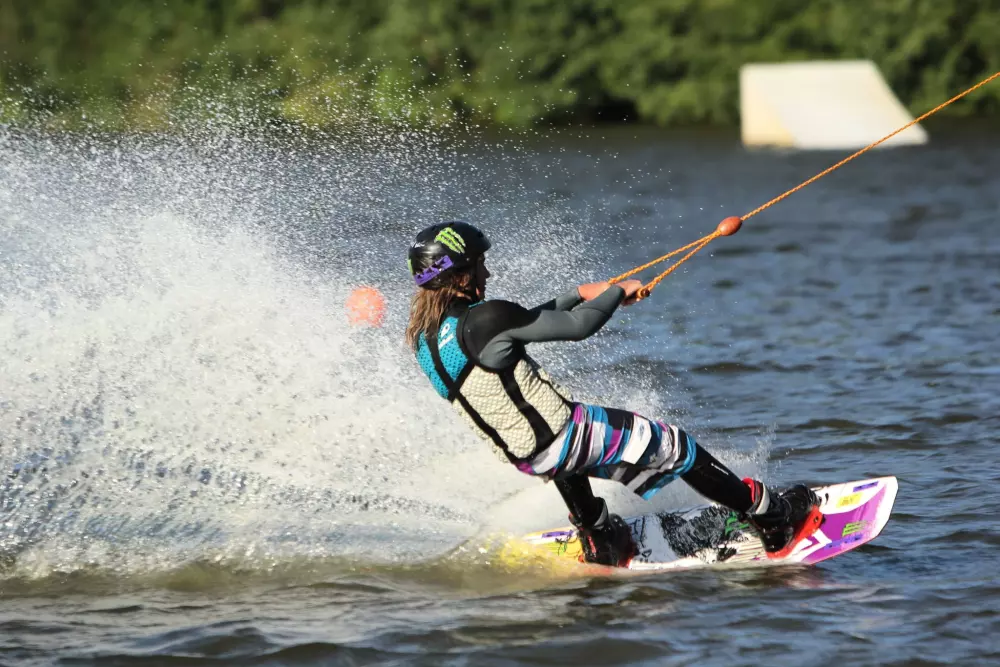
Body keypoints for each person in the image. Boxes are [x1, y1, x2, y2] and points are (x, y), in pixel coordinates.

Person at [405, 221, 821, 566]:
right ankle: (772, 518)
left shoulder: (426, 338)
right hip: (566, 435)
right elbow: (578, 328)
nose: (487, 274)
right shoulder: (486, 318)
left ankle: (601, 538)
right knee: (678, 448)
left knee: (566, 458)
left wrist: (580, 294)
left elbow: (523, 322)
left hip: (527, 456)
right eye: (480, 265)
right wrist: (617, 292)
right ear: (460, 274)